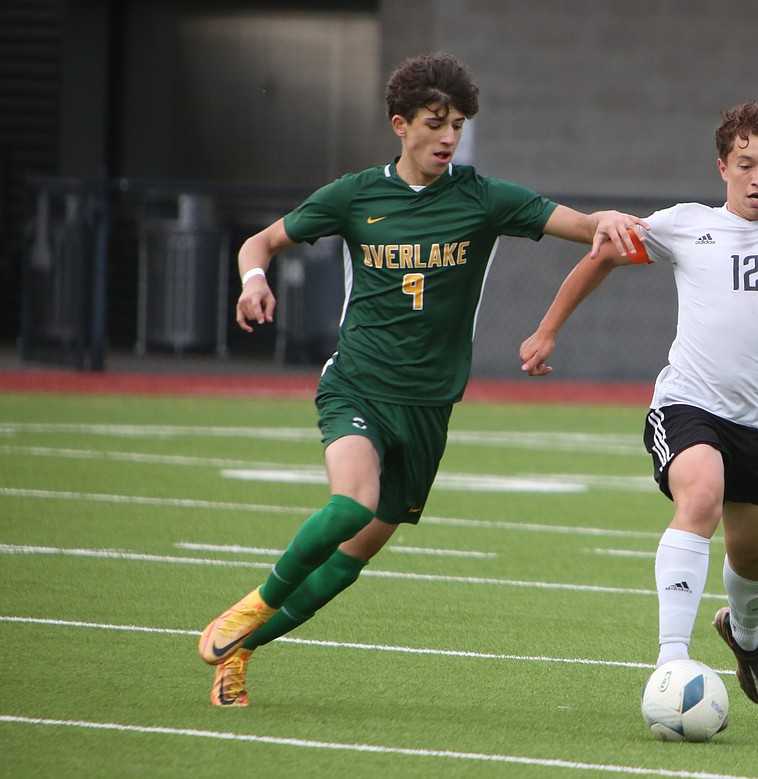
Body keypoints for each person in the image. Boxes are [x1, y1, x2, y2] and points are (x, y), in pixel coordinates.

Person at [198, 52, 647, 707]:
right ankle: (253, 604)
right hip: (357, 383)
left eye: (458, 125)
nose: (448, 137)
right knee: (351, 500)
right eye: (435, 123)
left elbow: (579, 227)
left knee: (349, 563)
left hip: (430, 406)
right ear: (399, 124)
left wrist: (604, 222)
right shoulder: (355, 195)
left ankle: (239, 651)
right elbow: (258, 243)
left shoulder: (483, 198)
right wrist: (253, 281)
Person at [519, 101, 758, 705]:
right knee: (699, 495)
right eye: (745, 163)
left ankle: (744, 633)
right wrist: (548, 329)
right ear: (722, 166)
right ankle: (671, 662)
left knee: (752, 560)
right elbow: (603, 253)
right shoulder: (685, 224)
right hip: (688, 404)